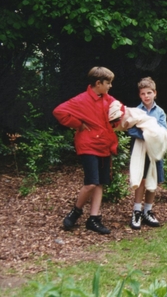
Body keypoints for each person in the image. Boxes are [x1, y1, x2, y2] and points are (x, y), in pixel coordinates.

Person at [53, 66, 122, 235]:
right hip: (88, 145)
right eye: (108, 83)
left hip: (104, 145)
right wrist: (78, 124)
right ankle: (76, 211)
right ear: (98, 83)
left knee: (100, 183)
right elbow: (59, 111)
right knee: (91, 183)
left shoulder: (107, 98)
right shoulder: (81, 100)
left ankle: (94, 218)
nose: (110, 86)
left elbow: (119, 108)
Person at [125, 77, 167, 229]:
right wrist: (146, 134)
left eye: (149, 93)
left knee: (152, 180)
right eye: (143, 94)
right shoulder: (136, 111)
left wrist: (150, 132)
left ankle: (148, 211)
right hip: (140, 149)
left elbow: (162, 130)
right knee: (141, 179)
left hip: (154, 150)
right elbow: (131, 129)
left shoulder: (160, 112)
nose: (146, 96)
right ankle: (137, 211)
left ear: (155, 93)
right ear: (140, 95)